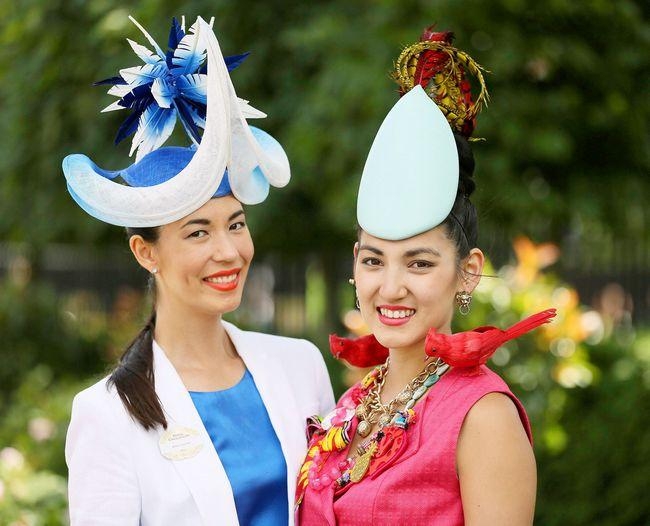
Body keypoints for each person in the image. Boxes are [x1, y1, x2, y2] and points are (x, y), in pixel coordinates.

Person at [63, 16, 334, 525]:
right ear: (147, 253)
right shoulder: (107, 415)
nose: (229, 252)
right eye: (197, 232)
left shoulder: (301, 366)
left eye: (235, 224)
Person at [295, 27, 555, 525]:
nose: (390, 287)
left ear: (468, 272)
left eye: (419, 263)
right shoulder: (353, 402)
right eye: (373, 260)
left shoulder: (483, 416)